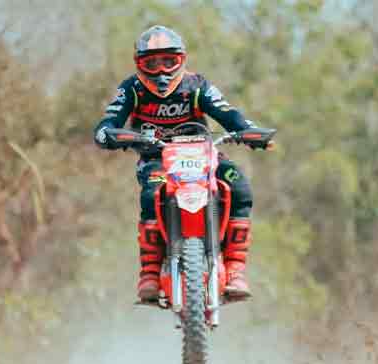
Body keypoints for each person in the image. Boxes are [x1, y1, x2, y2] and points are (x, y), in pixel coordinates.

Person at [94, 25, 268, 300]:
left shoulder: (198, 85)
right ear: (139, 64)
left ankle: (235, 269)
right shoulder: (131, 89)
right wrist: (108, 133)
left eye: (168, 61)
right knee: (152, 194)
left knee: (240, 186)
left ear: (182, 60)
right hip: (157, 159)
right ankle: (150, 274)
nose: (161, 71)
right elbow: (108, 122)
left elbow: (228, 113)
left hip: (204, 154)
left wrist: (250, 131)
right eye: (151, 63)